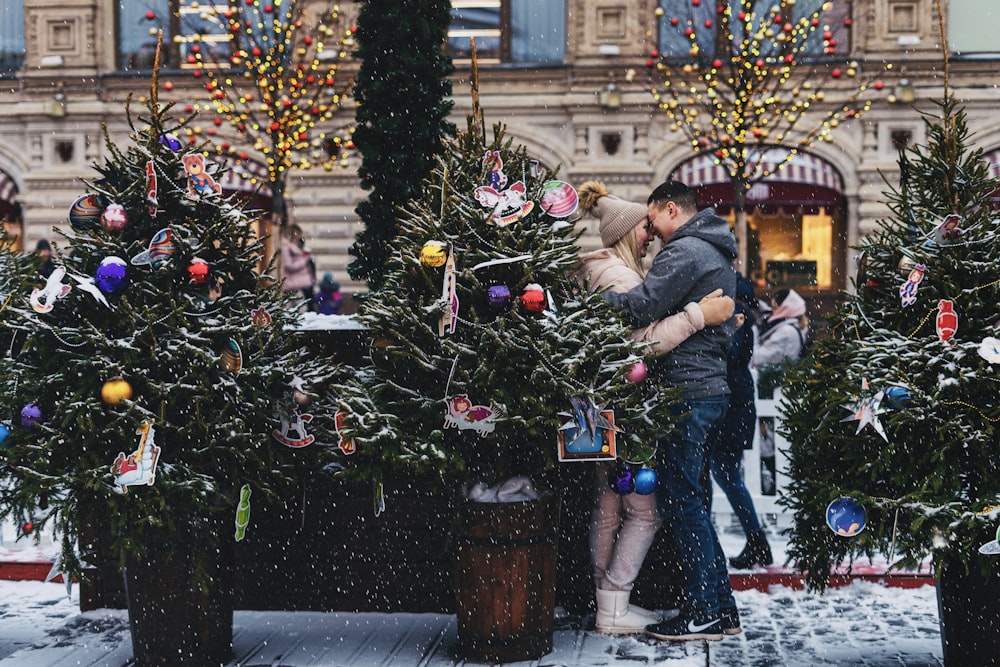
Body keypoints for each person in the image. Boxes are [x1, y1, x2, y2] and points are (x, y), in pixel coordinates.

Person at [576, 181, 734, 635]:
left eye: (652, 220)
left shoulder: (685, 251)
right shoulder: (713, 247)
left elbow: (640, 309)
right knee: (692, 502)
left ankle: (705, 611)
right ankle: (720, 609)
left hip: (688, 388)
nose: (652, 232)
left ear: (670, 209)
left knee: (683, 504)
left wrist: (584, 304)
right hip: (706, 388)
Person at [708, 275, 773, 570]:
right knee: (725, 473)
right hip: (738, 398)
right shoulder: (743, 310)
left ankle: (757, 541)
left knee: (725, 473)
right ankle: (757, 541)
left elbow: (730, 354)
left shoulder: (736, 313)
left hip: (733, 400)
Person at [280, 224, 315, 304]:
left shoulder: (294, 248)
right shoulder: (287, 248)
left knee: (300, 308)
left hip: (298, 284)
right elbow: (290, 266)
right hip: (293, 284)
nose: (299, 238)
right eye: (298, 235)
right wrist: (304, 260)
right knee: (300, 309)